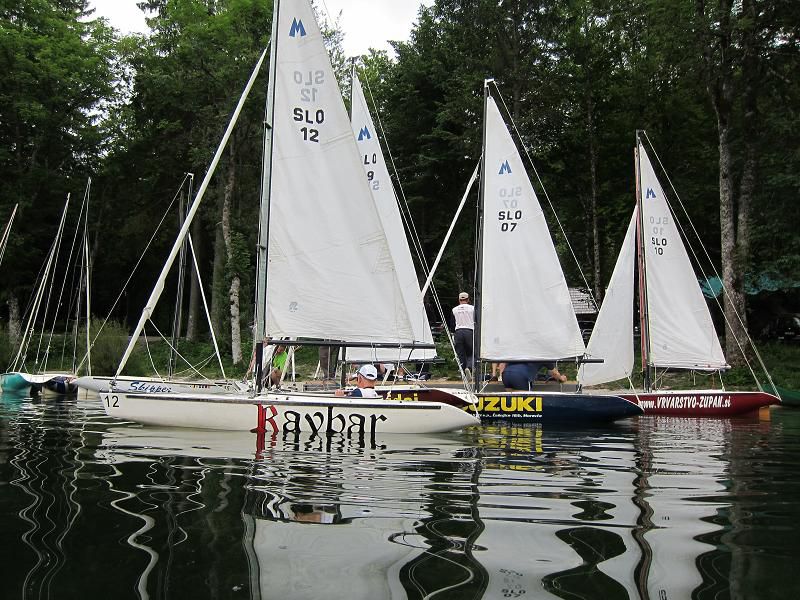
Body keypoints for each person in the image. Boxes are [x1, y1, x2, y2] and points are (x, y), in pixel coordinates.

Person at [452, 291, 474, 378]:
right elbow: (477, 320)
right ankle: (469, 367)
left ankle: (463, 371)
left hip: (458, 331)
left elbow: (452, 324)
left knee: (461, 353)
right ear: (468, 299)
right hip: (469, 331)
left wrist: (453, 332)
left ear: (459, 300)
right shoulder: (472, 308)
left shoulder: (454, 309)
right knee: (471, 352)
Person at [501, 361, 567, 390]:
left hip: (506, 375)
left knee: (511, 403)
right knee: (523, 405)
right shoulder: (543, 356)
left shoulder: (521, 350)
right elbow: (554, 373)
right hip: (520, 376)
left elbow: (502, 365)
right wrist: (561, 378)